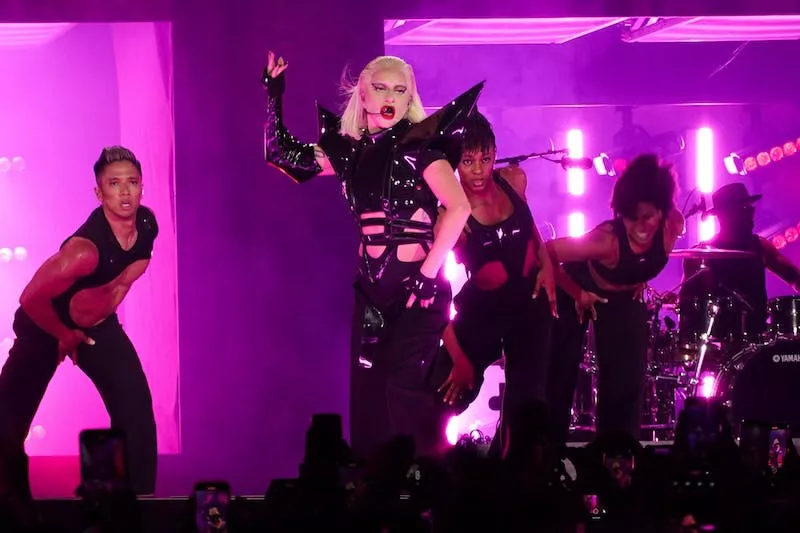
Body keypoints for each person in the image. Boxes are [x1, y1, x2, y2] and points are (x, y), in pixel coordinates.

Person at [261, 51, 477, 459]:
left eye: (399, 89)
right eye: (380, 88)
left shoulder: (422, 148)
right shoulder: (349, 152)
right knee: (368, 396)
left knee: (402, 393)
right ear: (362, 94)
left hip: (419, 292)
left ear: (410, 97)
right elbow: (282, 156)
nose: (389, 97)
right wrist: (274, 94)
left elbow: (459, 207)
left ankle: (418, 480)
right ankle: (373, 484)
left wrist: (426, 277)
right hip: (372, 293)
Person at [0, 146, 159, 496]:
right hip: (43, 324)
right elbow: (30, 298)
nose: (125, 191)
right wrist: (64, 334)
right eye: (114, 184)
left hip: (98, 325)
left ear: (141, 187)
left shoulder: (147, 226)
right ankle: (10, 507)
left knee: (134, 406)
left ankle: (130, 499)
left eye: (132, 182)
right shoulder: (84, 251)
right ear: (99, 193)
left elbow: (117, 286)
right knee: (8, 421)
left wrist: (95, 324)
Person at [432, 112, 588, 452]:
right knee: (441, 395)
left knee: (528, 409)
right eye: (467, 161)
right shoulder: (451, 214)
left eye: (485, 159)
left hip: (529, 309)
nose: (478, 170)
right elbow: (430, 292)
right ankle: (434, 472)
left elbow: (531, 229)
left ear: (495, 154)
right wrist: (458, 357)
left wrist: (546, 266)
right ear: (454, 162)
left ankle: (516, 474)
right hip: (483, 313)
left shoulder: (513, 180)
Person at [545, 154, 685, 445]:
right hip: (576, 288)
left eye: (648, 217)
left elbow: (645, 260)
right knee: (559, 374)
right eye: (631, 218)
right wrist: (577, 293)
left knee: (626, 383)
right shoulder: (606, 241)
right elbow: (545, 252)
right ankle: (548, 450)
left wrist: (639, 278)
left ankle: (618, 454)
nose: (640, 227)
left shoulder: (673, 225)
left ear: (661, 212)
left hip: (620, 297)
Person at [679, 182, 800, 344]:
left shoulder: (760, 247)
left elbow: (795, 277)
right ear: (724, 215)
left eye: (751, 208)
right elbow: (686, 305)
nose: (751, 213)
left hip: (757, 341)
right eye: (744, 208)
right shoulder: (700, 255)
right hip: (716, 343)